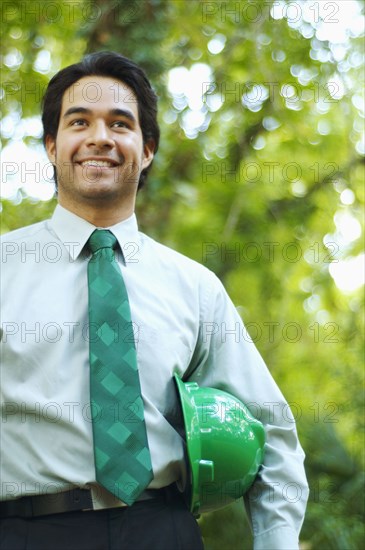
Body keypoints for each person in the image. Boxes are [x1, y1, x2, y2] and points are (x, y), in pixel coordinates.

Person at [0, 51, 309, 550]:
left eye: (120, 123)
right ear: (53, 145)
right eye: (80, 122)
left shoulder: (196, 287)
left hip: (163, 528)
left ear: (146, 150)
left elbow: (269, 428)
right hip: (25, 531)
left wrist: (276, 541)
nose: (100, 137)